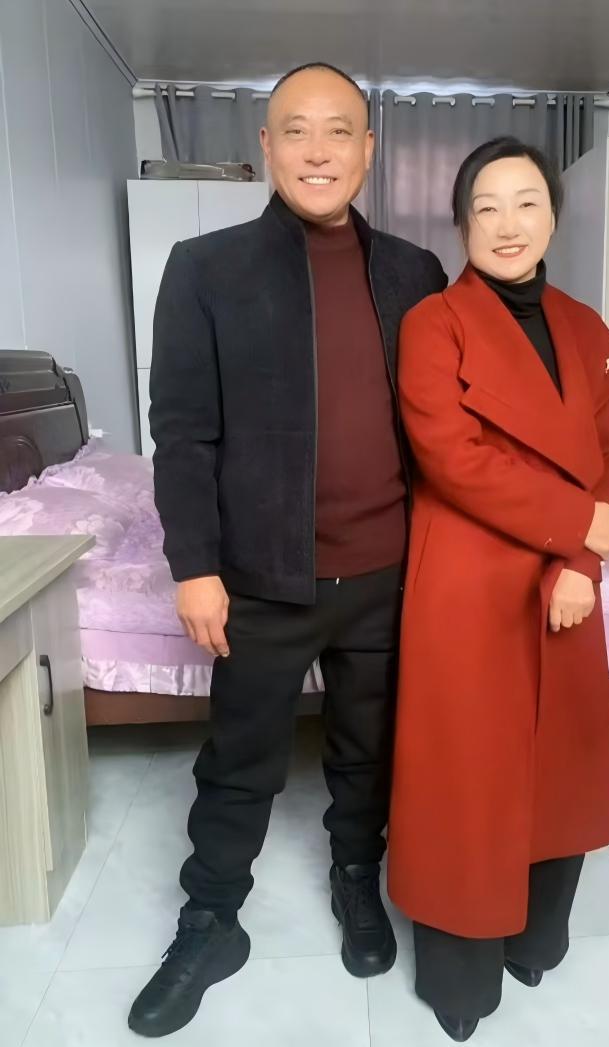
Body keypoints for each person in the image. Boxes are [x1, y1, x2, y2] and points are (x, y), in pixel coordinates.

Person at [128, 63, 446, 1038]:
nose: (318, 150)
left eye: (338, 130)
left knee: (368, 748)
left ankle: (357, 876)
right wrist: (194, 565)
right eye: (296, 131)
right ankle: (211, 919)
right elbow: (183, 433)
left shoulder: (415, 273)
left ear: (368, 150)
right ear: (266, 147)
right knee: (241, 758)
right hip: (262, 575)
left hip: (387, 571)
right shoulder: (204, 267)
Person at [386, 136, 609, 1041]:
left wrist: (582, 564)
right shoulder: (434, 323)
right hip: (469, 580)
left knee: (557, 765)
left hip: (565, 583)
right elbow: (452, 459)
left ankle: (536, 937)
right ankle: (462, 975)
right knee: (468, 778)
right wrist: (576, 529)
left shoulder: (582, 325)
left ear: (553, 217)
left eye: (526, 202)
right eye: (485, 207)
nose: (507, 224)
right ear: (460, 224)